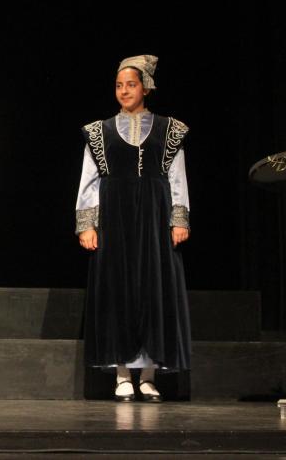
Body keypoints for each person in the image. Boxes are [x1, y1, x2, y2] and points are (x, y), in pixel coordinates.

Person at [75, 55, 191, 402]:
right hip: (115, 218)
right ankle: (123, 374)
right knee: (119, 290)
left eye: (131, 85)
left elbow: (177, 177)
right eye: (119, 85)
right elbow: (89, 180)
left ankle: (149, 376)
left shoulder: (169, 129)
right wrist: (87, 224)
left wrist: (179, 218)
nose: (124, 91)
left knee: (154, 290)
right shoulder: (99, 132)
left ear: (145, 88)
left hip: (155, 217)